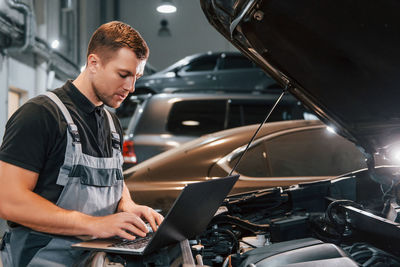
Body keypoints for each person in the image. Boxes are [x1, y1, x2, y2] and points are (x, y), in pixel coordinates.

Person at [0, 21, 163, 266]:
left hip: (94, 258)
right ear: (94, 63)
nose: (131, 87)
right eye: (123, 75)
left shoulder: (111, 123)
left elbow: (114, 180)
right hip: (41, 259)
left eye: (136, 77)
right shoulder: (40, 115)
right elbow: (8, 200)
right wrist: (94, 224)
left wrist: (127, 206)